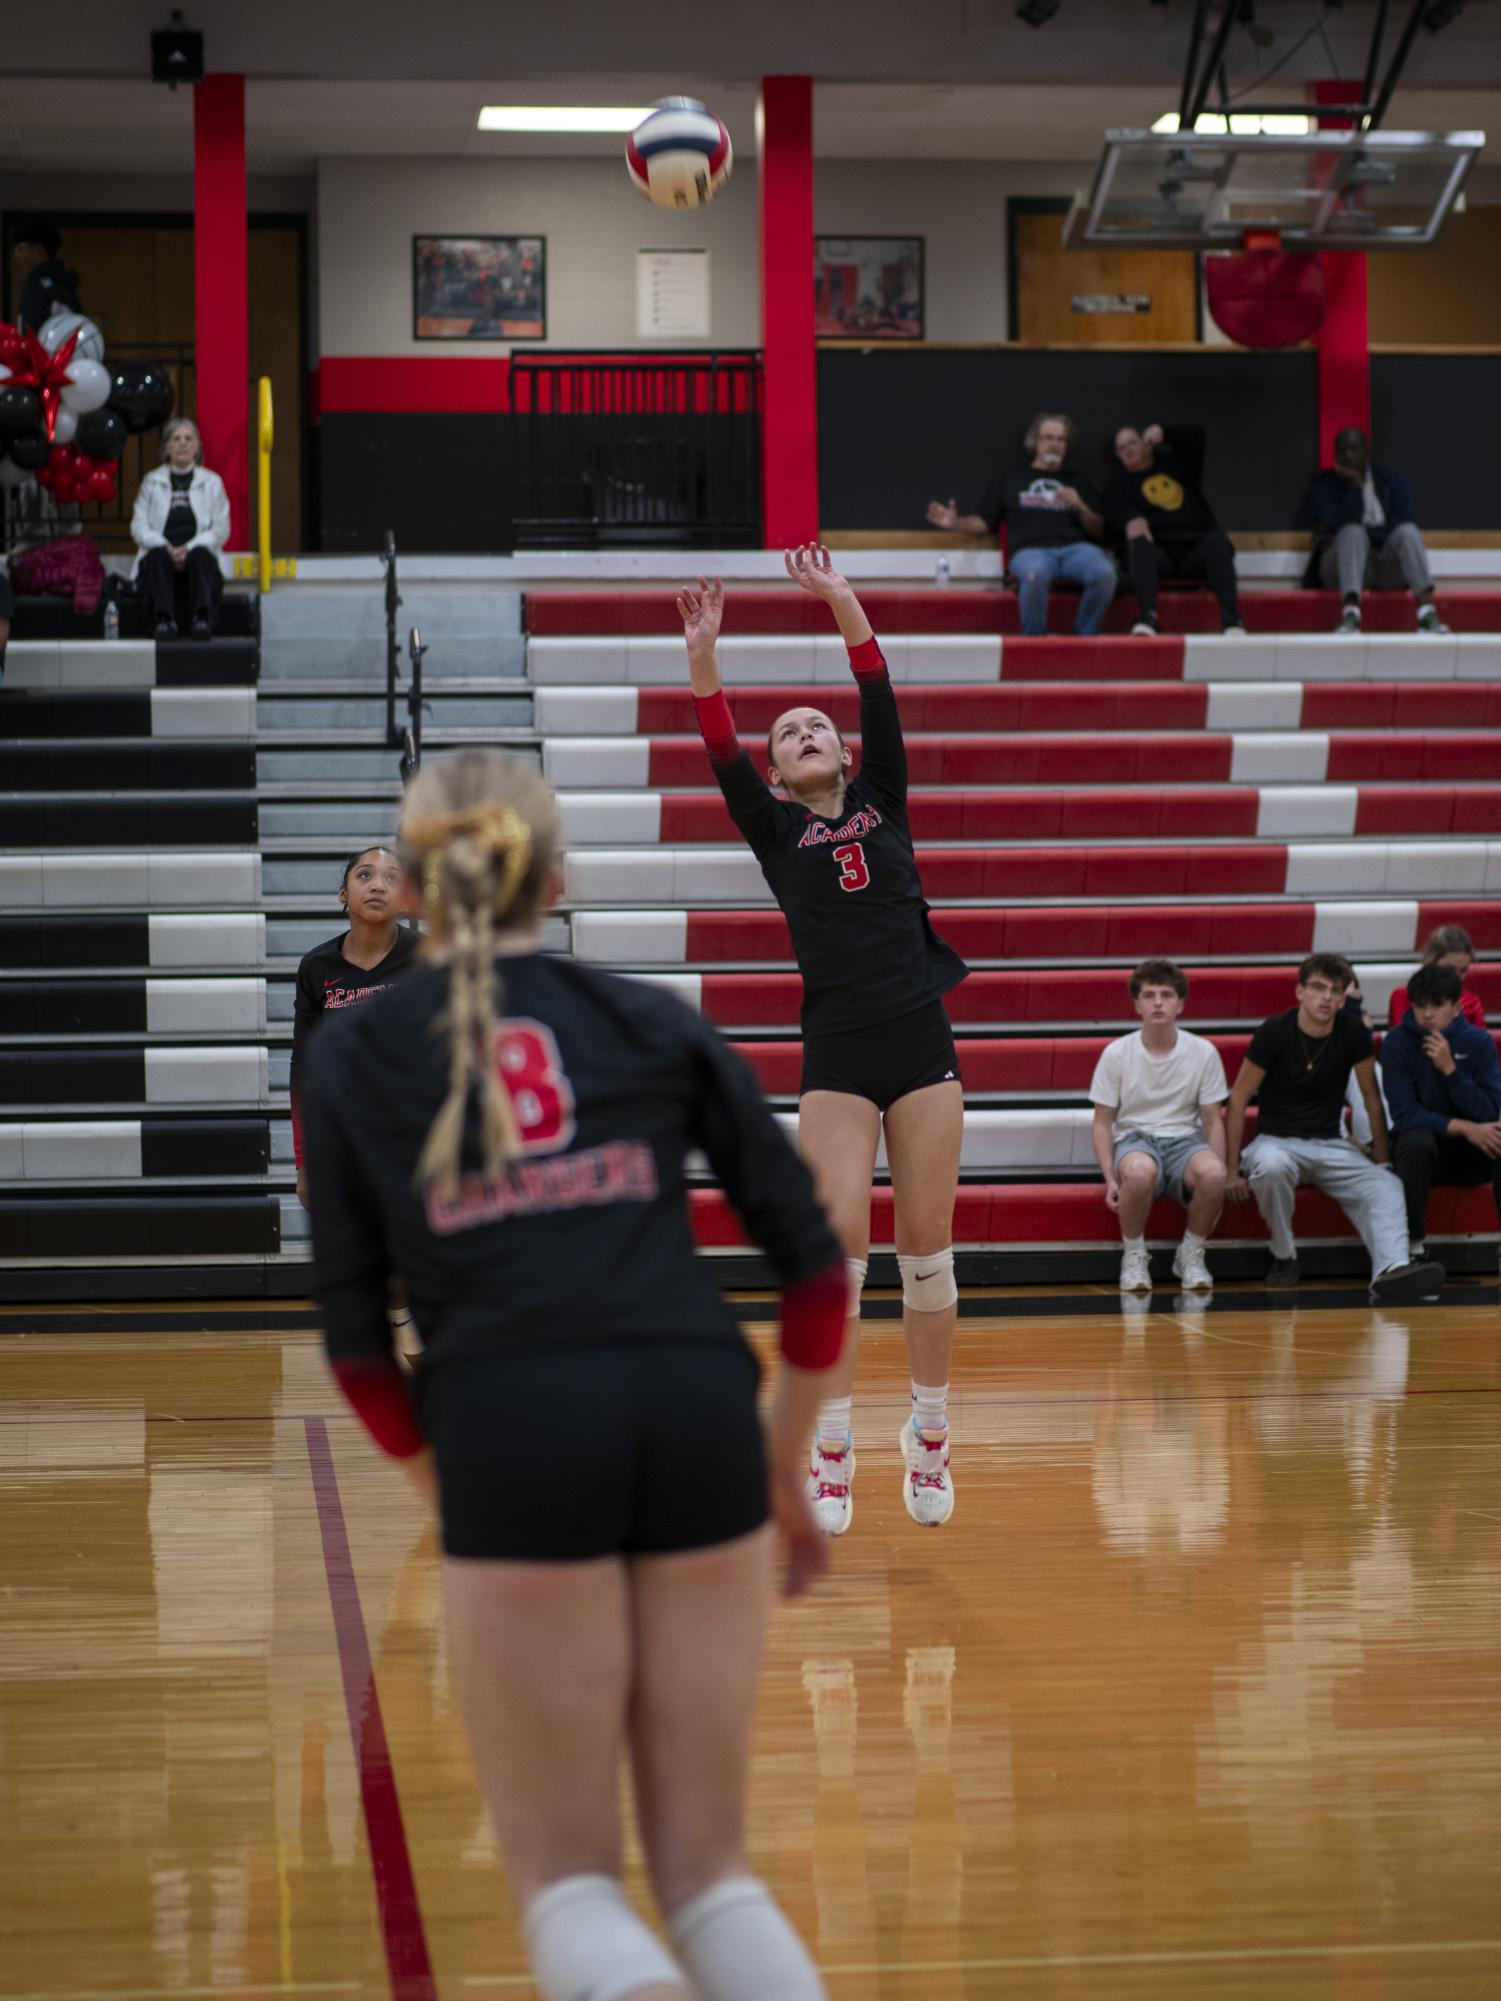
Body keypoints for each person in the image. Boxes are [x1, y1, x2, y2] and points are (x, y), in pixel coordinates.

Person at [302, 748, 846, 2001]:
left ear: (423, 893)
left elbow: (351, 1344)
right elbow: (816, 1272)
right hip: (694, 1410)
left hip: (510, 1423)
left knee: (571, 1884)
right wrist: (780, 1464)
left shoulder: (348, 1056)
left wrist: (454, 1494)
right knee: (714, 1878)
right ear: (558, 880)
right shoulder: (654, 1017)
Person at [678, 546, 966, 1536]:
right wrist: (704, 659)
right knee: (835, 1258)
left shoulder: (884, 794)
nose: (806, 734)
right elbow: (719, 749)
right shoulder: (772, 830)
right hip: (837, 1057)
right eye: (788, 733)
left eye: (817, 727)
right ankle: (832, 1443)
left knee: (925, 1256)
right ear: (778, 769)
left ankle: (926, 1433)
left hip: (921, 1044)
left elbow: (874, 686)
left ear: (843, 754)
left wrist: (841, 599)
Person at [1224, 953, 1445, 1302]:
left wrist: (1384, 1161)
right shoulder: (1274, 1031)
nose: (1327, 997)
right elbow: (1237, 1100)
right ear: (1300, 992)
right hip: (1276, 1141)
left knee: (1387, 1185)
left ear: (1345, 998)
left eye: (1336, 990)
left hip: (1330, 1142)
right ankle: (1284, 1256)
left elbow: (1372, 1099)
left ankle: (1391, 1270)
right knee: (1270, 1167)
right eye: (1318, 988)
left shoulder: (1353, 1032)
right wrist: (1230, 1169)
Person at [290, 848, 420, 1209]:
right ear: (343, 892)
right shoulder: (316, 968)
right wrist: (304, 1164)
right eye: (365, 875)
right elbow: (303, 1068)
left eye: (392, 878)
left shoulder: (429, 959)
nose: (378, 885)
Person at [1089, 960, 1229, 1293]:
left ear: (1180, 1004)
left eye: (1166, 995)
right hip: (1135, 1139)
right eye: (1149, 995)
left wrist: (1220, 1178)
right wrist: (1110, 1179)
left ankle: (1191, 1254)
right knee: (1138, 1173)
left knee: (1213, 1174)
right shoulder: (1117, 1053)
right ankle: (1134, 1255)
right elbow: (1102, 1122)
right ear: (1137, 1005)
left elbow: (1212, 1119)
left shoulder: (1203, 1052)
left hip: (1184, 1139)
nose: (1157, 1002)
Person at [925, 413, 1116, 636]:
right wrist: (954, 522)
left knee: (1105, 573)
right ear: (1035, 442)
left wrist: (1081, 505)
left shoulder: (1078, 480)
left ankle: (1085, 638)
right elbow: (986, 522)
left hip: (1075, 549)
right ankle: (1035, 643)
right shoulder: (1012, 478)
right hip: (1030, 551)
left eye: (1061, 439)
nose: (1054, 445)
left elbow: (1099, 529)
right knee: (1035, 574)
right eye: (1048, 438)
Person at [1381, 961, 1501, 1263]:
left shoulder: (1479, 1043)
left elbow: (1489, 1110)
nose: (1427, 1014)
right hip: (1422, 1153)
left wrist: (1450, 1070)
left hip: (1469, 1151)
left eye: (1437, 1005)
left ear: (1457, 1007)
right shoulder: (1396, 1043)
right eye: (1420, 1006)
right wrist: (1464, 1127)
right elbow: (1405, 1115)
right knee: (1415, 1140)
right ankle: (1413, 1246)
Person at [1302, 427, 1449, 635]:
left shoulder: (1390, 481)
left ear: (1366, 453)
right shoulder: (1325, 485)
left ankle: (1426, 612)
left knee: (1408, 532)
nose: (1348, 455)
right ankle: (1350, 614)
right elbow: (1332, 524)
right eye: (1342, 450)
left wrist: (1372, 535)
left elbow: (1403, 520)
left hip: (1382, 564)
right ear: (1335, 455)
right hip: (1342, 566)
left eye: (1354, 449)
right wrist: (1354, 487)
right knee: (1353, 532)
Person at [1103, 422, 1245, 636]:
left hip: (1194, 550)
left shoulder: (1177, 467)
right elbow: (1118, 513)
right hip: (1157, 556)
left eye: (1132, 443)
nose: (1128, 450)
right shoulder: (1117, 487)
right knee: (1139, 540)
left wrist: (1165, 433)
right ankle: (1148, 617)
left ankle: (1232, 620)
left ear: (1146, 444)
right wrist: (1132, 519)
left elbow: (1197, 435)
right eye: (1121, 448)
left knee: (1216, 540)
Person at [129, 419, 230, 639]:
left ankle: (202, 620)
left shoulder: (212, 482)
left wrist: (189, 548)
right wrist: (165, 546)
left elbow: (221, 528)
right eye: (176, 439)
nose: (182, 444)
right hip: (160, 551)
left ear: (197, 447)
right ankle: (164, 621)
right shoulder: (151, 481)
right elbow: (138, 526)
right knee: (156, 556)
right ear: (166, 447)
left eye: (188, 439)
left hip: (198, 551)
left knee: (201, 556)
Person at [1387, 924, 1486, 1030]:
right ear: (1431, 961)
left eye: (1463, 970)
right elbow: (1404, 1039)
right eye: (1450, 969)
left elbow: (1479, 1043)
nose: (1457, 977)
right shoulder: (1403, 996)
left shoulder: (1472, 1002)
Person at [9, 218, 82, 333]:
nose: (16, 257)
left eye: (20, 249)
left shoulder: (41, 288)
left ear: (39, 250)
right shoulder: (62, 284)